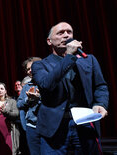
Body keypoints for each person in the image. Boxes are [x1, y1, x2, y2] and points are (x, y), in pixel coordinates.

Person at [31, 22, 109, 154]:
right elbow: (47, 84)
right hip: (54, 127)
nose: (66, 35)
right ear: (49, 41)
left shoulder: (88, 60)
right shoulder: (40, 65)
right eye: (60, 33)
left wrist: (101, 103)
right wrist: (69, 57)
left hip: (84, 122)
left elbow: (100, 86)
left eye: (69, 32)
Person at [17, 57, 42, 155]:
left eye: (31, 67)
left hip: (47, 125)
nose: (29, 71)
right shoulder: (27, 86)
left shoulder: (47, 82)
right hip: (32, 126)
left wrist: (39, 98)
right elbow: (19, 104)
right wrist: (28, 99)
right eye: (27, 69)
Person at [0, 82, 20, 155]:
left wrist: (5, 111)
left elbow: (16, 114)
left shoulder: (12, 101)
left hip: (8, 131)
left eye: (2, 89)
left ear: (5, 91)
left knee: (8, 150)